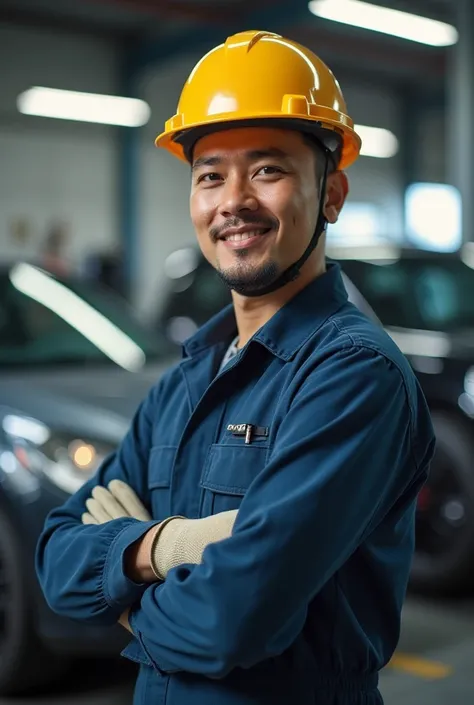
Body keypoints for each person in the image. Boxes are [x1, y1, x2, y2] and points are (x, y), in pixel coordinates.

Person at [36, 29, 436, 705]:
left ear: (331, 194)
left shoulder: (353, 377)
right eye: (210, 174)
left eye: (269, 169)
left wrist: (125, 599)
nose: (234, 201)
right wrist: (168, 546)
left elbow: (231, 621)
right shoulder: (183, 380)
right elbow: (55, 558)